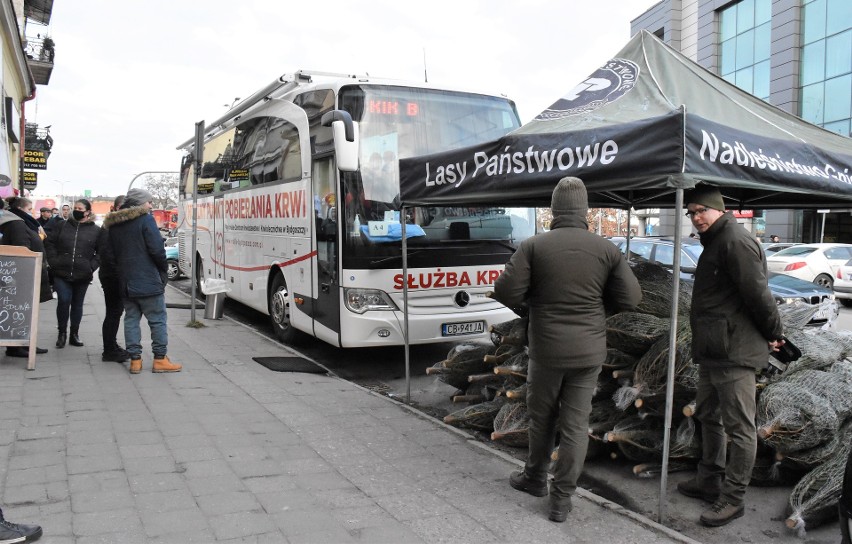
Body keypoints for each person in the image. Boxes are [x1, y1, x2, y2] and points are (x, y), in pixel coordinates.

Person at [492, 177, 642, 523]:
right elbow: (631, 298)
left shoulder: (534, 246)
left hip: (546, 351)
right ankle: (561, 500)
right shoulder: (606, 249)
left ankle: (534, 479)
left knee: (542, 418)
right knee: (576, 424)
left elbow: (506, 291)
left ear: (554, 209)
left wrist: (534, 301)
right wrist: (599, 307)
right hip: (589, 352)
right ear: (585, 211)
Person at [677, 185, 784, 527]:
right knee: (709, 415)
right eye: (691, 213)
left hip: (735, 351)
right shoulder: (716, 241)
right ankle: (709, 479)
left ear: (718, 210)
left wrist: (774, 333)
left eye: (701, 211)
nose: (696, 218)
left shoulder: (734, 241)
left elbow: (758, 294)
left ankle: (733, 498)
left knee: (740, 429)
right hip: (714, 349)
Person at [104, 188, 180, 374]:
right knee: (157, 321)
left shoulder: (114, 224)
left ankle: (135, 361)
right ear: (140, 203)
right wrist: (162, 271)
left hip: (126, 282)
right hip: (148, 281)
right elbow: (157, 250)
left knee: (131, 320)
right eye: (149, 202)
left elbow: (110, 255)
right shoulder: (145, 220)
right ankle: (160, 359)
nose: (151, 205)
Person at [44, 199, 101, 349]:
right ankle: (61, 333)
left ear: (88, 212)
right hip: (61, 271)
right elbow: (49, 243)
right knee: (63, 300)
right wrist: (53, 261)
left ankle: (74, 334)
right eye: (74, 208)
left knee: (77, 304)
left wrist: (91, 266)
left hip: (83, 273)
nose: (76, 210)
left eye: (80, 208)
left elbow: (101, 252)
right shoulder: (62, 225)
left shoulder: (95, 230)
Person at [0, 199, 51, 357]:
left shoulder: (21, 222)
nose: (32, 212)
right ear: (21, 209)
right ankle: (17, 345)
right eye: (30, 209)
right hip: (21, 276)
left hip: (18, 275)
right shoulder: (17, 224)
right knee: (20, 310)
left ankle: (23, 343)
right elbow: (22, 250)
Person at [97, 195, 130, 363]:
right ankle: (109, 350)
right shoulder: (110, 226)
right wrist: (120, 274)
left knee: (115, 312)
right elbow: (107, 253)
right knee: (113, 312)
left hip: (112, 274)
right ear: (116, 208)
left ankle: (111, 345)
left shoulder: (114, 225)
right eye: (123, 206)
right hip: (112, 276)